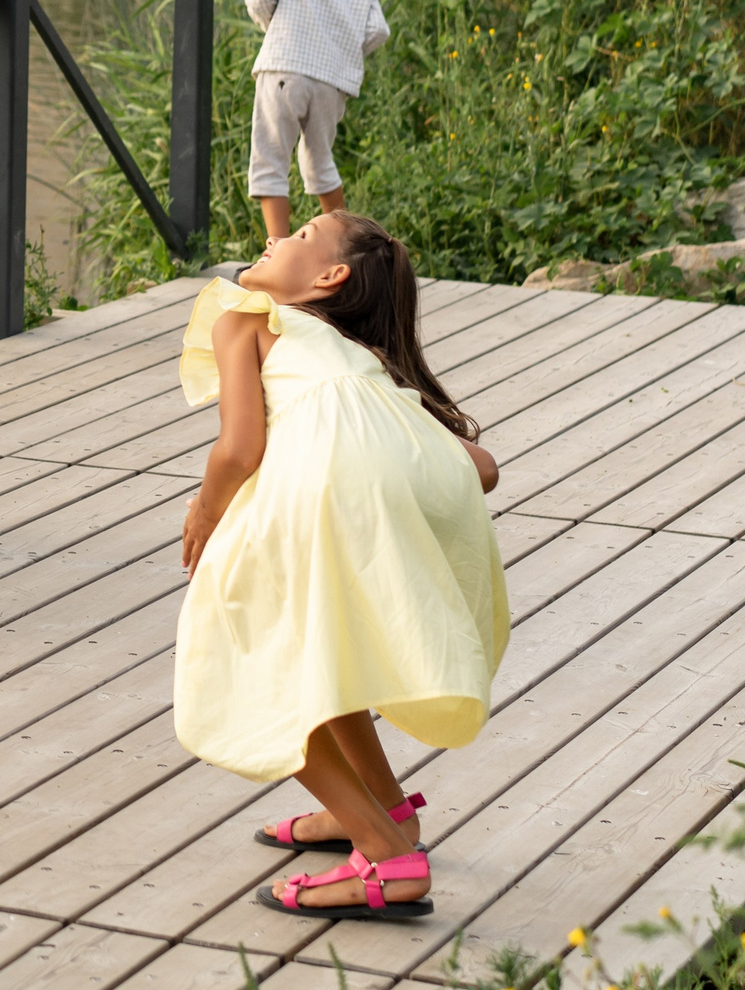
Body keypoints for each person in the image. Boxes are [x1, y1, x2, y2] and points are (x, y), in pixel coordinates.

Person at [175, 213, 506, 919]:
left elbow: (239, 449)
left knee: (257, 663)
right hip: (391, 482)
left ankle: (388, 855)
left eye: (300, 235)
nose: (278, 233)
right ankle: (385, 808)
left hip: (323, 488)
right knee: (327, 648)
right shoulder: (354, 353)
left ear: (329, 278)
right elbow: (480, 469)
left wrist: (205, 513)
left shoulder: (247, 320)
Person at [245, 0, 388, 241]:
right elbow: (377, 32)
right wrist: (339, 51)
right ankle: (345, 246)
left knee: (271, 160)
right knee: (320, 161)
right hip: (331, 83)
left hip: (283, 68)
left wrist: (270, 26)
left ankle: (277, 247)